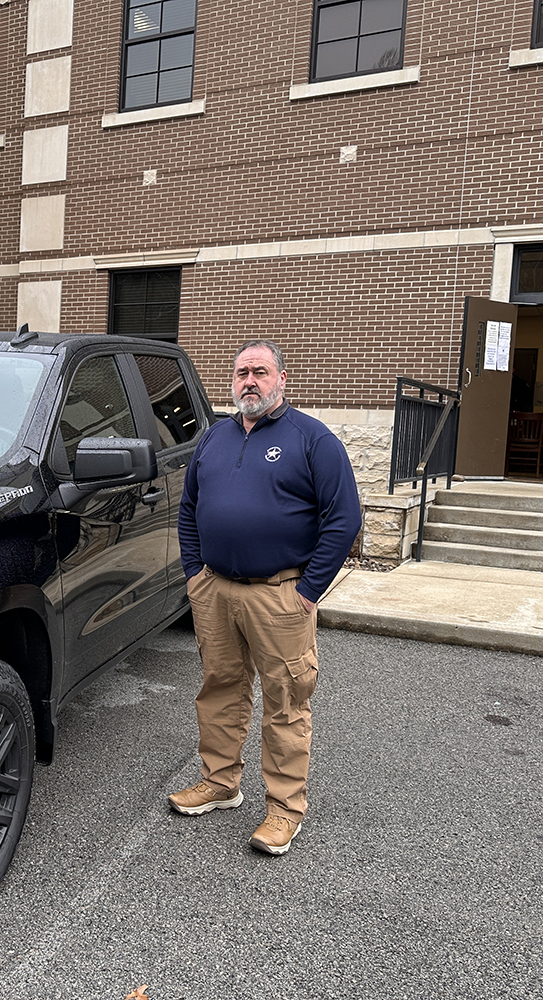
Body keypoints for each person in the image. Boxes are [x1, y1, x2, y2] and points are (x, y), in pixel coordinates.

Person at [169, 339, 361, 855]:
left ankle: (284, 809)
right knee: (220, 687)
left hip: (281, 595)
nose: (248, 381)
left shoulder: (312, 440)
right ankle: (220, 781)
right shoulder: (214, 439)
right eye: (240, 373)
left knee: (286, 700)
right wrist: (194, 574)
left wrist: (308, 591)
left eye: (259, 371)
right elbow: (189, 510)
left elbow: (343, 519)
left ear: (281, 379)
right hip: (215, 590)